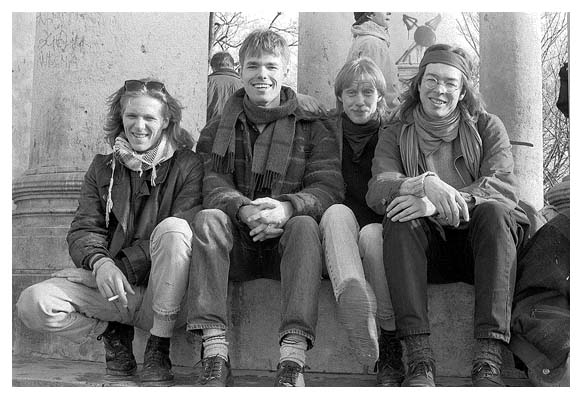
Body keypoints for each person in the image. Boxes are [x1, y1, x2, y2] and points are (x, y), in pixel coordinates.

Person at [16, 79, 203, 386]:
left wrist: (119, 268)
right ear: (121, 116)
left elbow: (188, 226)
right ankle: (112, 333)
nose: (139, 126)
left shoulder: (189, 165)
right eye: (132, 116)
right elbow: (84, 228)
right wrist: (100, 264)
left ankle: (158, 347)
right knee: (33, 303)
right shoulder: (102, 167)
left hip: (169, 296)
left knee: (175, 229)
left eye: (149, 118)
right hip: (115, 293)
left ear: (166, 120)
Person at [366, 44, 530, 387]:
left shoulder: (487, 126)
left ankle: (488, 359)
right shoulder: (395, 130)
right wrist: (422, 184)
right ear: (419, 84)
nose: (440, 90)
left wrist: (439, 203)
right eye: (432, 80)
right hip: (427, 251)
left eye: (450, 83)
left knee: (496, 212)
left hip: (480, 248)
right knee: (399, 217)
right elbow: (379, 186)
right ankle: (419, 360)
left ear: (463, 90)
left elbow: (502, 185)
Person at [187, 29, 344, 387]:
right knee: (208, 218)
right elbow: (211, 183)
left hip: (288, 244)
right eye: (253, 66)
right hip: (238, 241)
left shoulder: (312, 126)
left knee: (304, 225)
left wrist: (287, 209)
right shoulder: (216, 128)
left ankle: (293, 359)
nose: (262, 74)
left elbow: (329, 187)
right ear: (240, 71)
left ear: (285, 70)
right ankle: (214, 352)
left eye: (271, 66)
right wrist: (244, 210)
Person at [319, 57, 404, 386]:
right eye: (351, 93)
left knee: (372, 235)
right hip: (338, 232)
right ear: (339, 97)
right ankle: (354, 299)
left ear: (380, 96)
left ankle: (389, 340)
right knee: (336, 213)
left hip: (379, 225)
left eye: (368, 92)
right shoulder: (325, 129)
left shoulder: (393, 132)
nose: (359, 101)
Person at [347, 12, 401, 112]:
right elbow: (374, 87)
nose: (389, 12)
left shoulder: (367, 40)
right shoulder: (373, 44)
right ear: (369, 14)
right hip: (381, 114)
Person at [206, 51, 244, 122]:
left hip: (209, 126)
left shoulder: (206, 82)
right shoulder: (244, 85)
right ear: (232, 66)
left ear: (213, 67)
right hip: (237, 127)